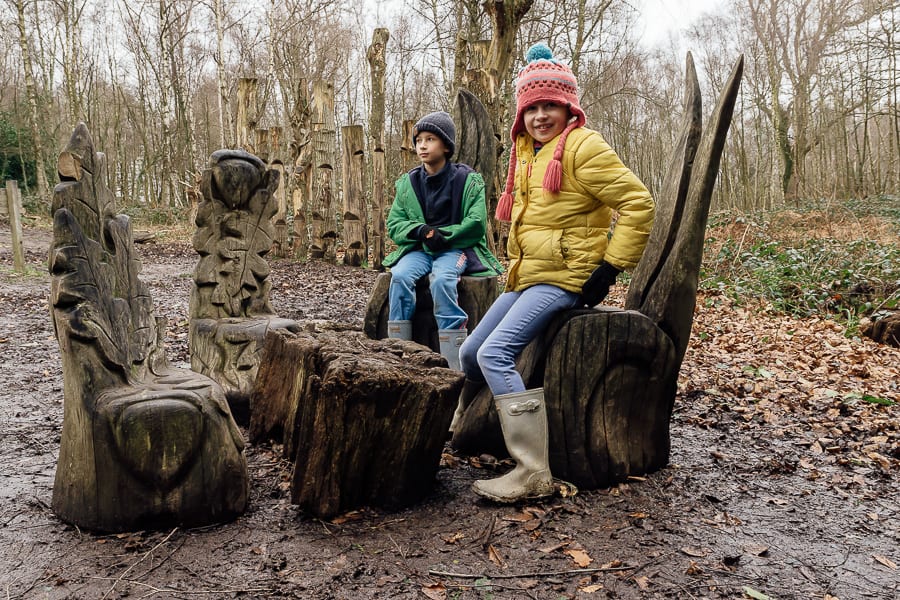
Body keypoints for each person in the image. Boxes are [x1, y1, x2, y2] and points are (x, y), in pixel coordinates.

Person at [458, 44, 655, 503]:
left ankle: (532, 471)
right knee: (470, 353)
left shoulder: (583, 147)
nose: (540, 116)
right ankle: (471, 426)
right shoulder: (526, 152)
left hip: (566, 276)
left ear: (569, 108)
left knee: (495, 355)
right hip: (529, 274)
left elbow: (638, 203)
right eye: (532, 107)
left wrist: (608, 268)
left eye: (551, 106)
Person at [383, 111, 503, 371]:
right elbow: (394, 223)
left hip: (454, 249)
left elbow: (476, 222)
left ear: (446, 145)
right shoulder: (409, 183)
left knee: (442, 280)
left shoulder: (467, 180)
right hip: (419, 250)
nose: (422, 145)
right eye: (418, 140)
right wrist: (421, 231)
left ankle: (454, 357)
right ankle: (398, 349)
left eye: (430, 139)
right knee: (400, 276)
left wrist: (443, 235)